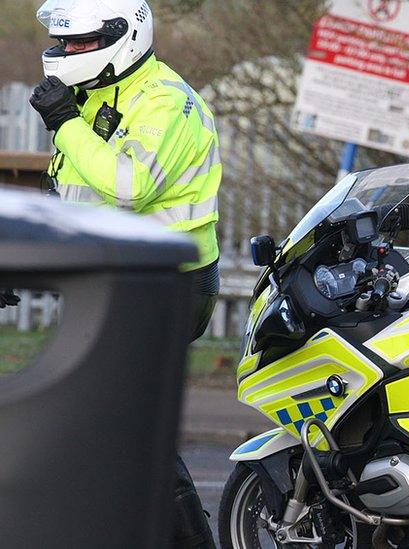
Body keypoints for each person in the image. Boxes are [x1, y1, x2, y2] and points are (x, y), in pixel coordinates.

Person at [29, 1, 220, 547]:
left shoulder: (167, 104)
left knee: (122, 427)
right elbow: (75, 198)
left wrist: (65, 124)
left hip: (169, 280)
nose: (67, 53)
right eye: (64, 43)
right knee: (102, 423)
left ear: (125, 37)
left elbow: (128, 184)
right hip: (120, 272)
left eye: (80, 43)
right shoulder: (94, 95)